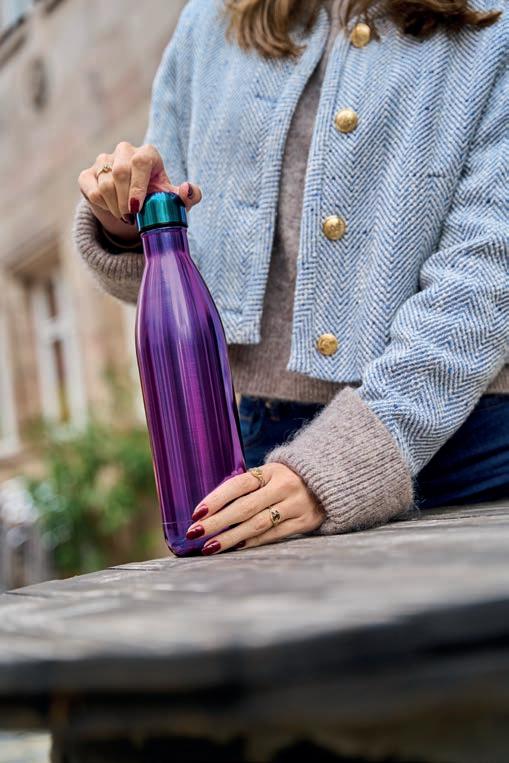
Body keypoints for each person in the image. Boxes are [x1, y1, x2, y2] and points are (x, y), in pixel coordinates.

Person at [74, 0, 509, 555]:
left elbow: (486, 276)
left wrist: (342, 462)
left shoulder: (491, 19)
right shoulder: (210, 23)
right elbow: (183, 270)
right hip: (259, 456)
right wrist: (129, 223)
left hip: (470, 449)